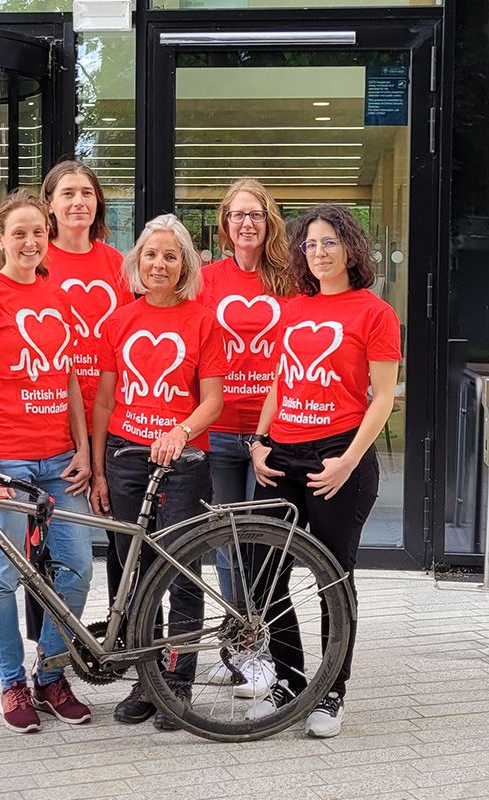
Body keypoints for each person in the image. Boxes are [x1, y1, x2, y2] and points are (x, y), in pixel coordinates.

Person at [245, 204, 401, 739]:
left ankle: (332, 691)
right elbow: (279, 382)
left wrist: (347, 462)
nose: (319, 252)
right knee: (266, 574)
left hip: (339, 456)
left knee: (333, 577)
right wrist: (259, 442)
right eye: (310, 244)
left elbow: (382, 398)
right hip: (282, 455)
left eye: (329, 242)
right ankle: (289, 681)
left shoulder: (374, 312)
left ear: (351, 248)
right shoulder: (293, 309)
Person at [0, 189, 94, 734]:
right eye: (19, 233)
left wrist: (82, 447)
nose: (31, 242)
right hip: (6, 460)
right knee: (2, 576)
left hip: (60, 460)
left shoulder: (59, 299)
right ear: (0, 239)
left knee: (77, 568)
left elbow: (72, 382)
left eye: (39, 232)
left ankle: (51, 674)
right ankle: (12, 683)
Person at [89, 214, 227, 731]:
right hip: (125, 458)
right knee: (136, 571)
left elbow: (213, 401)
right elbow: (104, 400)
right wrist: (101, 469)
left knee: (182, 573)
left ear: (185, 264)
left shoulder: (202, 319)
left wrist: (179, 432)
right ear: (137, 260)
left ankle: (179, 681)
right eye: (151, 254)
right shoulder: (120, 321)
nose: (159, 264)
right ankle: (146, 680)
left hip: (185, 462)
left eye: (170, 256)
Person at [22, 161, 133, 639]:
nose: (78, 202)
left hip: (111, 418)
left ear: (98, 203)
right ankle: (48, 652)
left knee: (122, 538)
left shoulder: (117, 265)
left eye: (86, 193)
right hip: (51, 423)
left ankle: (123, 633)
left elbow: (133, 339)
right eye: (67, 193)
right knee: (48, 545)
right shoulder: (36, 263)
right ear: (50, 203)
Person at [196, 179, 292, 698]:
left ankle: (265, 652)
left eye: (254, 214)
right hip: (217, 431)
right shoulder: (206, 279)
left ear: (269, 219)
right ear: (224, 223)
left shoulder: (290, 280)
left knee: (264, 549)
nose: (246, 223)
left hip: (269, 435)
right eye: (236, 215)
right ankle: (237, 648)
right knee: (228, 548)